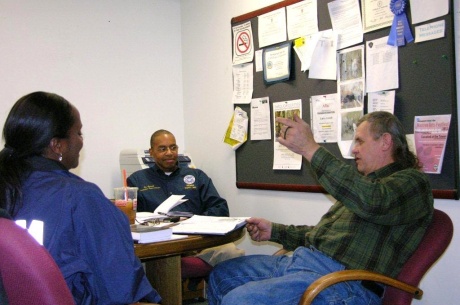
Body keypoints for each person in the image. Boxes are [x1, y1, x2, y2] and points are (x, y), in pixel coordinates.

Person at [207, 111, 434, 305]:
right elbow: (324, 238)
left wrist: (310, 148)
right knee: (221, 275)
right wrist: (274, 231)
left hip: (343, 282)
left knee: (239, 300)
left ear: (385, 142)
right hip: (302, 264)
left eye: (360, 141)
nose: (353, 150)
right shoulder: (363, 186)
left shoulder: (412, 183)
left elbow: (374, 202)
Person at [0, 92, 161, 305]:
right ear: (57, 145)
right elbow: (121, 289)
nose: (81, 141)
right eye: (78, 132)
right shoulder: (79, 196)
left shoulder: (8, 185)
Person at [127, 130, 244, 277]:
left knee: (231, 251)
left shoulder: (196, 176)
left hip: (198, 244)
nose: (169, 153)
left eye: (173, 147)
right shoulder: (137, 180)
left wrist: (194, 221)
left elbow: (220, 208)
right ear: (151, 152)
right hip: (159, 248)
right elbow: (133, 222)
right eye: (162, 149)